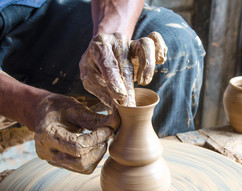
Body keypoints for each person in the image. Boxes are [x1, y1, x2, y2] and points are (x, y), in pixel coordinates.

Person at [0, 0, 205, 173]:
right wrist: (31, 106)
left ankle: (164, 182)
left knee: (177, 44)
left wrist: (111, 39)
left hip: (35, 10)